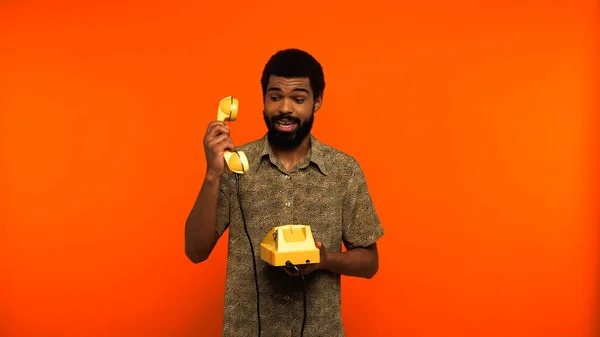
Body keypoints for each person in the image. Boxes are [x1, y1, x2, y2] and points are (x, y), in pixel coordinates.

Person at [184, 48, 384, 337]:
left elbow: (370, 263)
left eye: (298, 99)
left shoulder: (344, 170)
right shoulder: (235, 164)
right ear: (264, 100)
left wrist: (325, 261)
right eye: (275, 97)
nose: (285, 108)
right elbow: (195, 251)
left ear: (316, 102)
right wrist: (213, 173)